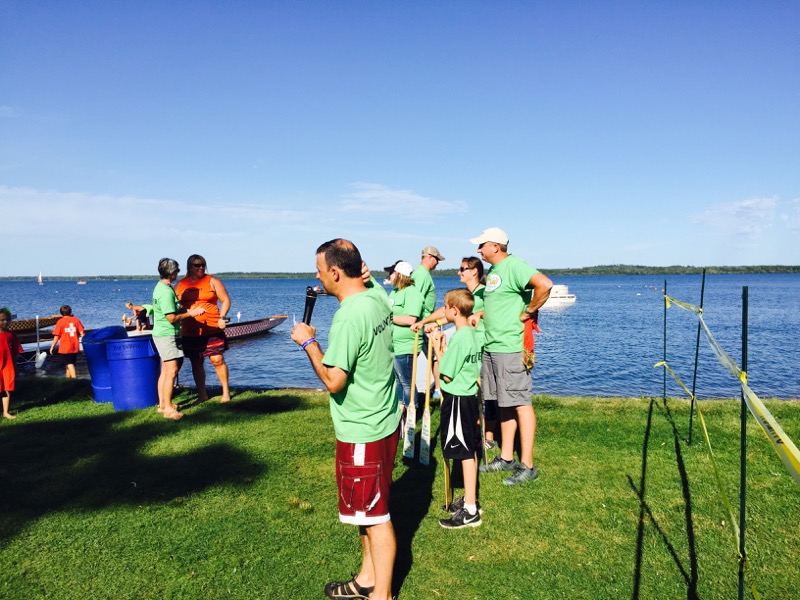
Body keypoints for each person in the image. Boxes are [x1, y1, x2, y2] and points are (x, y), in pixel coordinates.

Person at [290, 239, 400, 600]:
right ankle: (367, 577)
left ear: (335, 273)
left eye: (320, 271)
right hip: (384, 419)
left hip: (363, 430)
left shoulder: (350, 315)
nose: (318, 278)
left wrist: (308, 343)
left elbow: (334, 381)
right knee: (364, 512)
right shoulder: (377, 297)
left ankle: (381, 594)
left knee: (375, 517)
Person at [472, 227, 552, 486]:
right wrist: (480, 314)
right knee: (503, 403)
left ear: (495, 246)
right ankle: (506, 457)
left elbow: (544, 284)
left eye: (482, 245)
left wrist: (529, 311)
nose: (478, 249)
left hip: (511, 347)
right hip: (492, 346)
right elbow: (500, 305)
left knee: (520, 403)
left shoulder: (515, 266)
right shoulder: (495, 271)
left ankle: (528, 465)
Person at [412, 256, 495, 448]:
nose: (459, 272)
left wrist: (480, 314)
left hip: (480, 345)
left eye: (463, 268)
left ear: (474, 271)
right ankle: (474, 430)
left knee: (483, 391)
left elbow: (496, 310)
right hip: (467, 345)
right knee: (468, 390)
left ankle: (487, 436)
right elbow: (448, 312)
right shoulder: (465, 294)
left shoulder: (484, 293)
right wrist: (427, 322)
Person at [428, 289, 483, 529]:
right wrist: (444, 349)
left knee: (463, 451)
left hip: (458, 398)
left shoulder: (460, 337)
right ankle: (470, 499)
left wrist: (436, 348)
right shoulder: (472, 333)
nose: (443, 310)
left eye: (445, 306)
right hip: (468, 396)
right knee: (469, 448)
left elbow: (445, 376)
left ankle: (470, 511)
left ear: (454, 310)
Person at [152, 258, 205, 420]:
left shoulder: (162, 287)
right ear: (172, 272)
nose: (178, 273)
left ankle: (163, 404)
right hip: (167, 335)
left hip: (161, 334)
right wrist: (191, 313)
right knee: (172, 370)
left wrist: (188, 310)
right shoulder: (166, 292)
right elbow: (171, 318)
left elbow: (173, 310)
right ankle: (168, 409)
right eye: (177, 270)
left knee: (165, 370)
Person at [175, 254, 232, 403]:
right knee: (196, 362)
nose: (201, 267)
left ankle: (226, 392)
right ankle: (202, 394)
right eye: (197, 265)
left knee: (217, 359)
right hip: (190, 331)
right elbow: (175, 307)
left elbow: (225, 300)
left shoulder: (212, 281)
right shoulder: (180, 285)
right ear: (189, 267)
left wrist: (222, 317)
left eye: (203, 265)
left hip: (213, 328)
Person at [385, 260, 423, 415]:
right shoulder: (395, 292)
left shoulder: (412, 293)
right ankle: (401, 413)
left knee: (407, 382)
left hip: (407, 345)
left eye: (391, 273)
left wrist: (388, 317)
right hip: (394, 345)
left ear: (399, 274)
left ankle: (411, 413)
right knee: (398, 381)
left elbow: (411, 319)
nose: (389, 276)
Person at [412, 245, 445, 399]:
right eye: (437, 260)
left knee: (432, 357)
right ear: (430, 258)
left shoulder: (419, 273)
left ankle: (436, 389)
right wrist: (420, 322)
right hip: (424, 325)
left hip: (424, 322)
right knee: (435, 356)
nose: (437, 263)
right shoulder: (422, 275)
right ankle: (438, 390)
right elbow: (416, 299)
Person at [49, 305, 85, 378]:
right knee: (69, 364)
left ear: (61, 313)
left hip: (65, 347)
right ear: (70, 312)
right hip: (74, 346)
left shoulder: (60, 322)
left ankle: (75, 380)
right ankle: (68, 380)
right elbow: (82, 333)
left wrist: (52, 346)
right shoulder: (76, 320)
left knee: (69, 364)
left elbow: (57, 336)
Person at [0, 307, 23, 420]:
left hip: (7, 366)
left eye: (8, 319)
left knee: (7, 388)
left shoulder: (11, 335)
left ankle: (6, 412)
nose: (5, 322)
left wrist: (15, 366)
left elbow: (15, 352)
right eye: (2, 320)